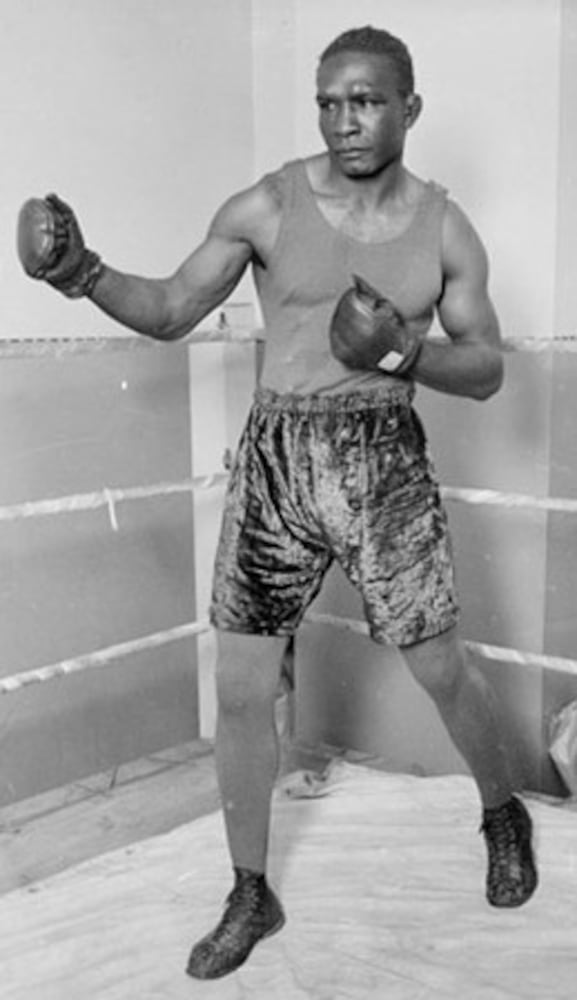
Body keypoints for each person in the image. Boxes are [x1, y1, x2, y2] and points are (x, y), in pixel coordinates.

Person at [17, 25, 538, 981]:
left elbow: (487, 369)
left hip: (383, 465)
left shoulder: (442, 228)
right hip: (275, 463)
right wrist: (83, 273)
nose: (344, 121)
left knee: (439, 667)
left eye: (366, 101)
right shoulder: (267, 204)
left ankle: (501, 813)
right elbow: (172, 308)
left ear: (409, 108)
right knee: (242, 686)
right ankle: (250, 890)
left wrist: (399, 351)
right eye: (328, 102)